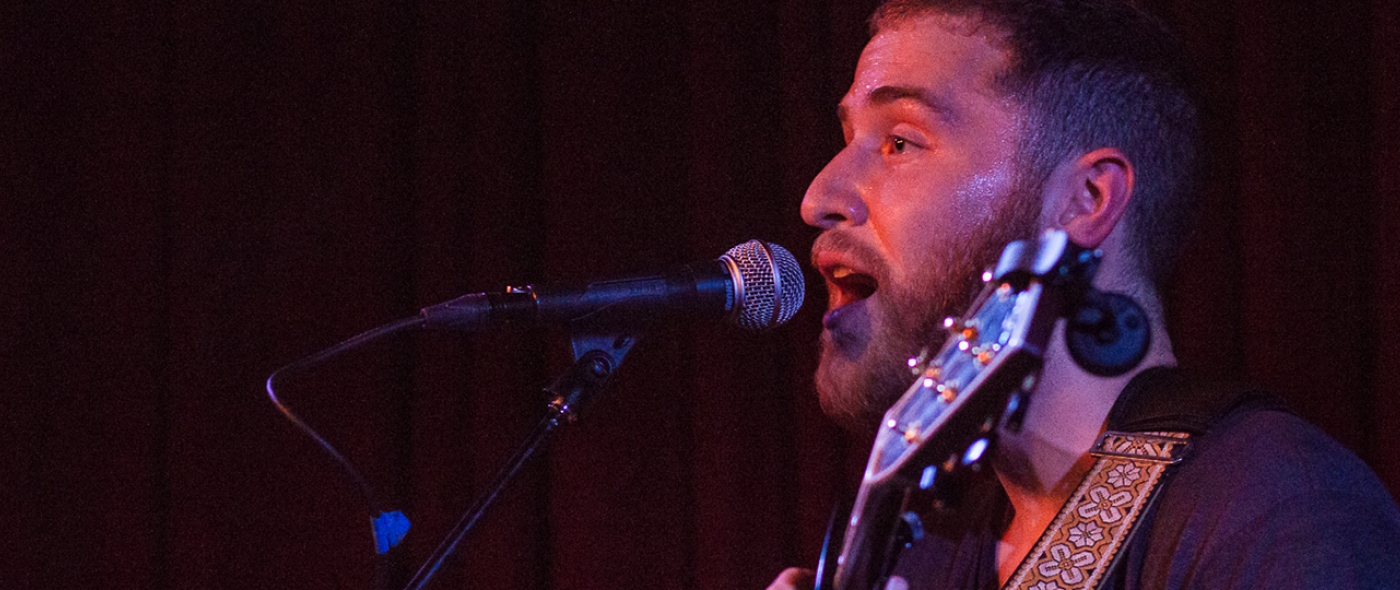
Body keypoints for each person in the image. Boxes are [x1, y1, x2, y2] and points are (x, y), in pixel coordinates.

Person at [769, 0, 1400, 588]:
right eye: (848, 136)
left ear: (1086, 200)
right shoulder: (925, 549)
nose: (819, 196)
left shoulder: (1280, 512)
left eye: (900, 142)